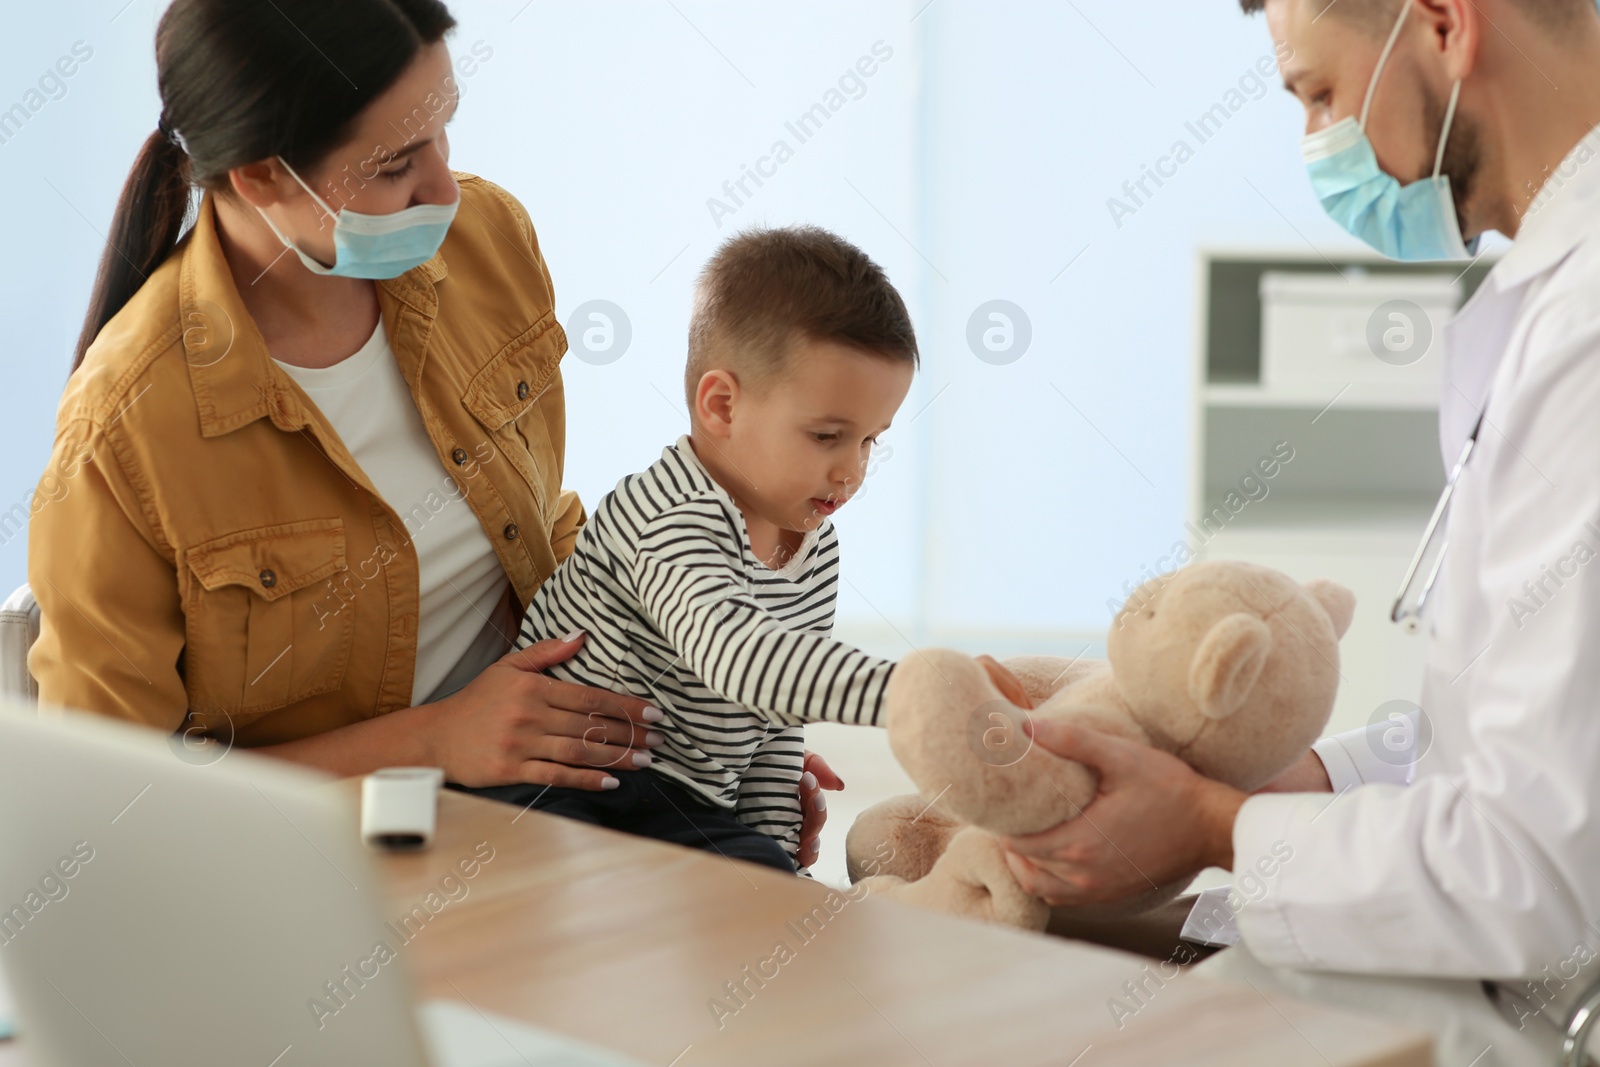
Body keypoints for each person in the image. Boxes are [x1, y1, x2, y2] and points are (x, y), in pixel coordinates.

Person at [25, 0, 837, 864]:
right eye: (395, 165)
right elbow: (114, 807)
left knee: (777, 912)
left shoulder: (489, 244)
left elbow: (553, 538)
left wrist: (697, 737)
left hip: (552, 785)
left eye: (444, 131)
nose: (446, 190)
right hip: (332, 857)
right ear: (262, 177)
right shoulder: (124, 432)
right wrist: (434, 739)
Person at [1002, 0, 1600, 1061]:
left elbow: (1532, 869)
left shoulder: (1584, 343)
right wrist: (1278, 786)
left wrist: (1213, 825)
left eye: (1317, 92)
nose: (1317, 144)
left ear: (1445, 25)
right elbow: (1518, 748)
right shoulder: (1538, 302)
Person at [459, 227, 917, 873]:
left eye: (871, 440)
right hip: (553, 775)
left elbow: (777, 719)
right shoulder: (670, 512)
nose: (851, 471)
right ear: (722, 405)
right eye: (827, 436)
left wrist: (782, 861)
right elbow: (739, 656)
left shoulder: (817, 551)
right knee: (559, 885)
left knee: (765, 886)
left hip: (682, 804)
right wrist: (916, 695)